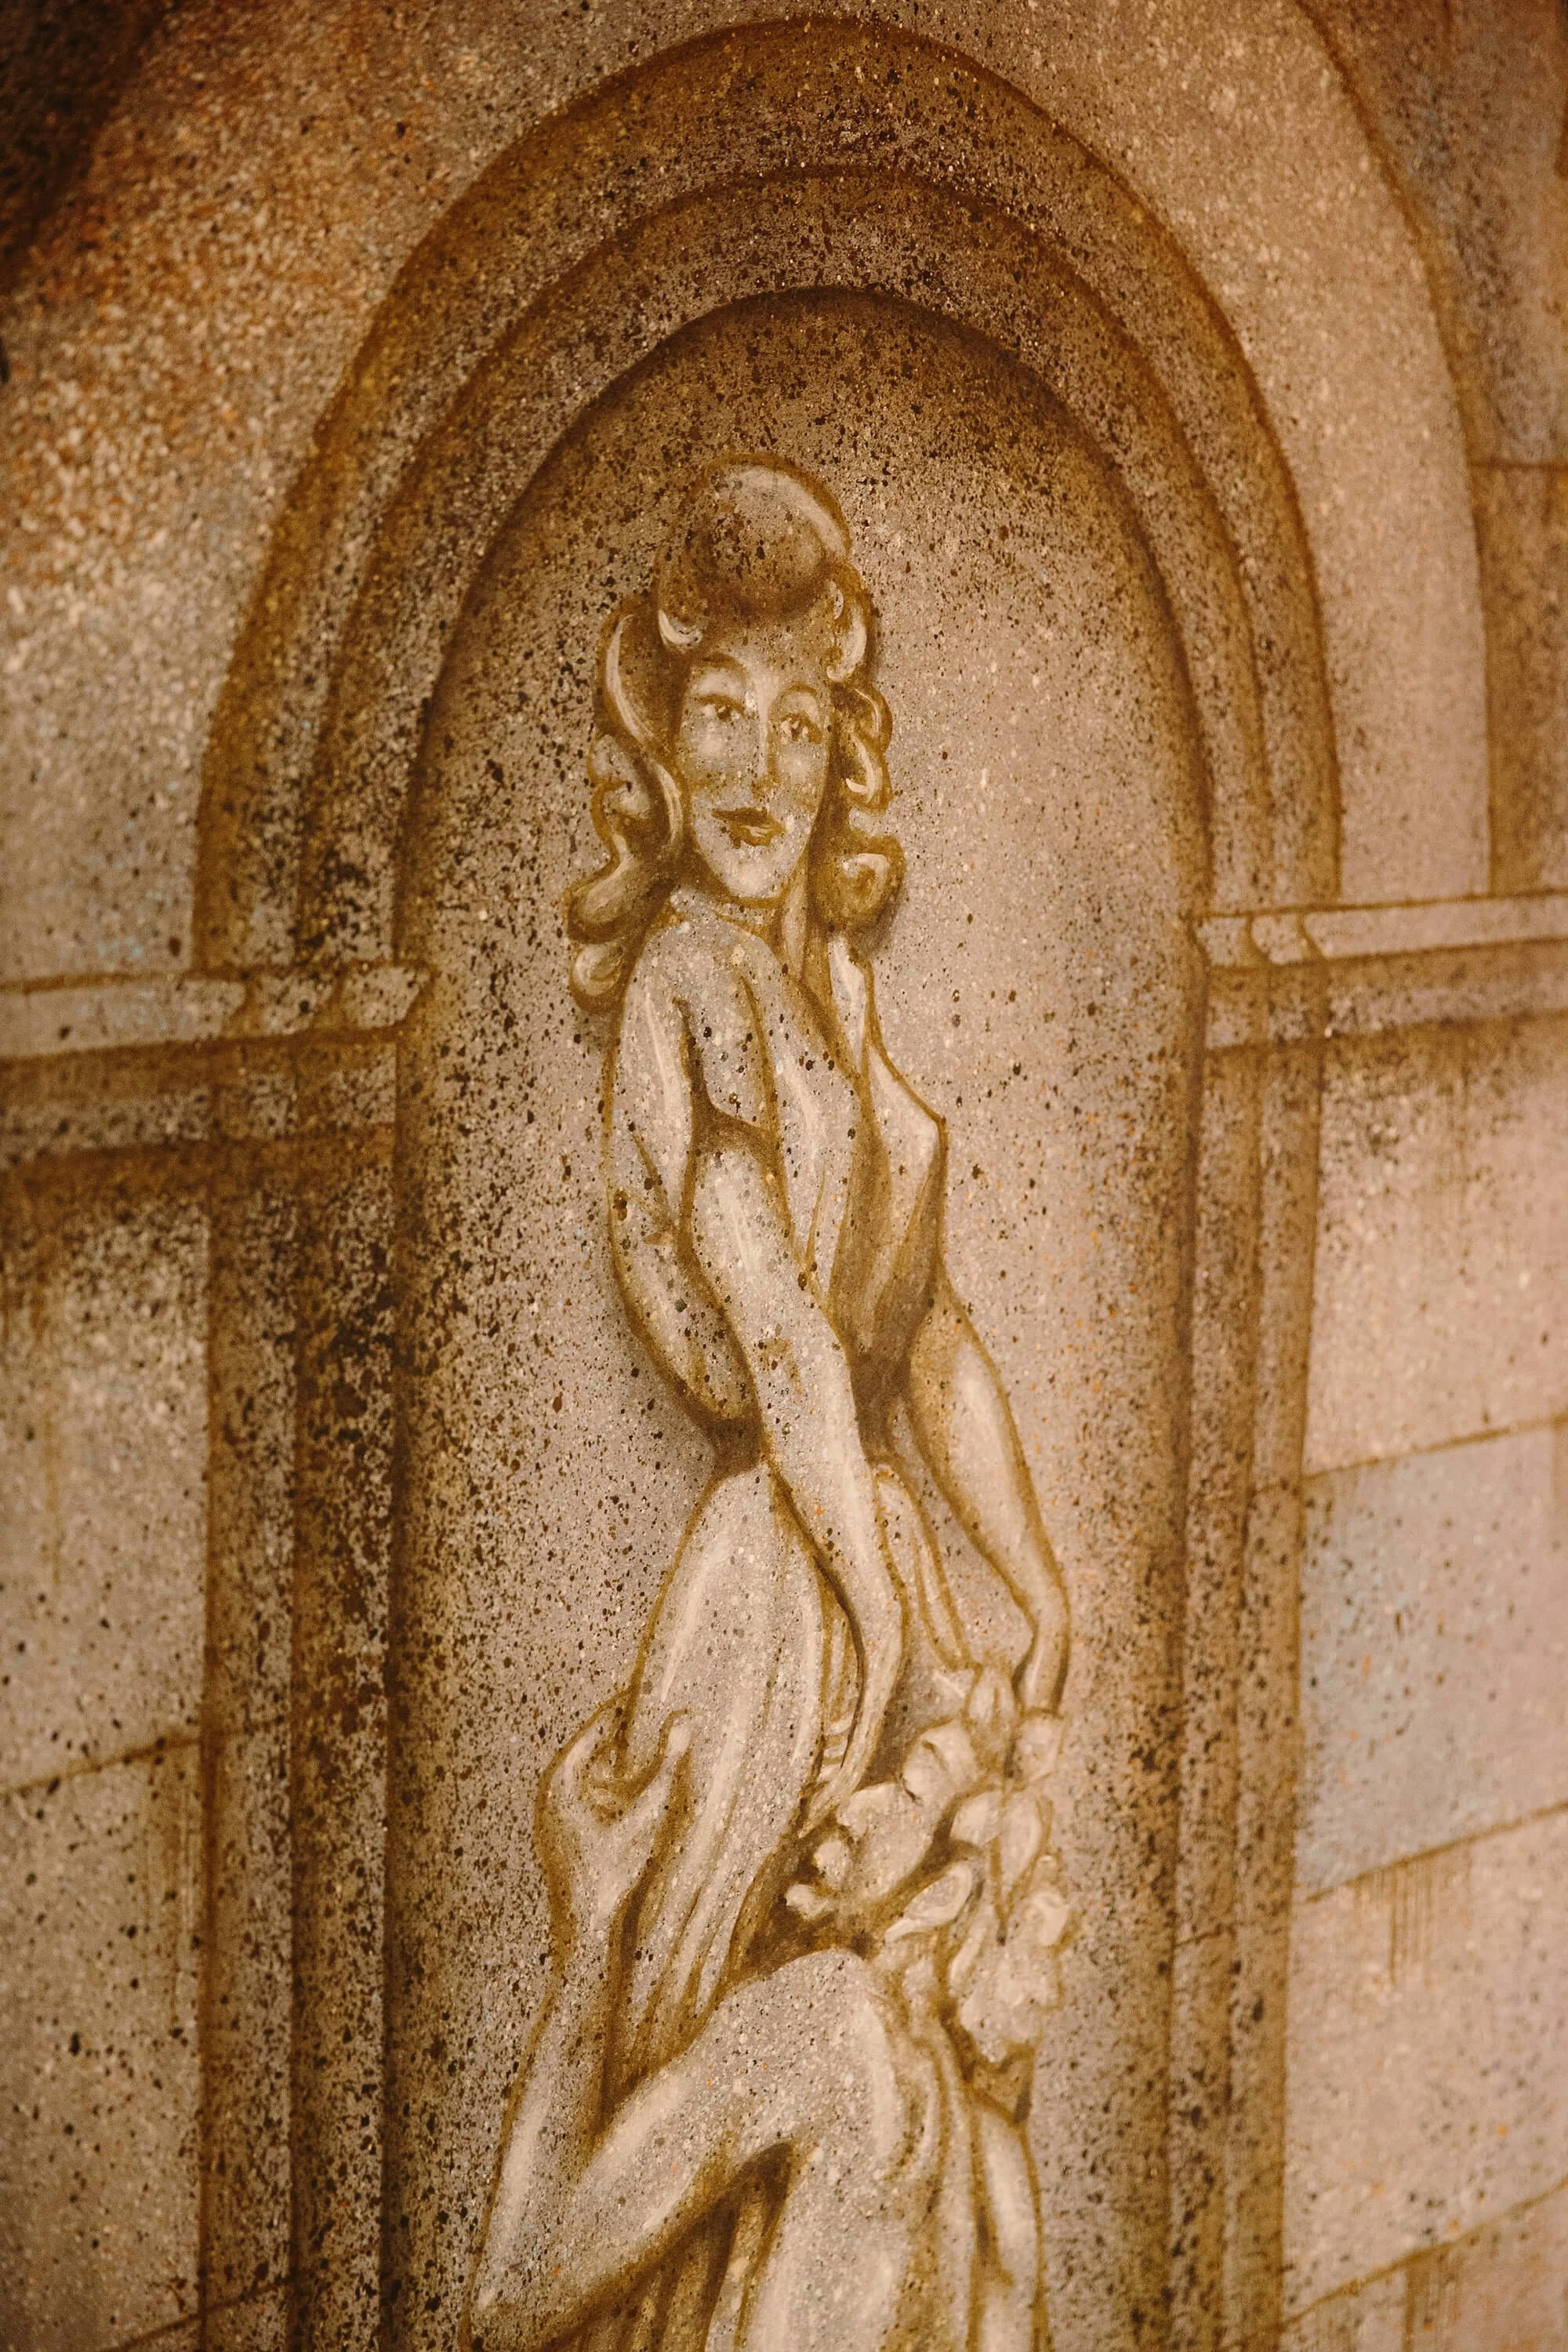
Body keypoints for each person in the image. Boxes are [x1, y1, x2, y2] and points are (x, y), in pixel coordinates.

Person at [467, 460, 1071, 2352]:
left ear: (836, 761)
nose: (752, 764)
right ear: (665, 751)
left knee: (891, 2064)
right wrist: (896, 1626)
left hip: (865, 1538)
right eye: (714, 716)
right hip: (770, 1591)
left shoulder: (837, 1001)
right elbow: (784, 1331)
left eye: (793, 725)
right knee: (739, 2017)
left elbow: (925, 1333)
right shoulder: (686, 980)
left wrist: (1029, 1581)